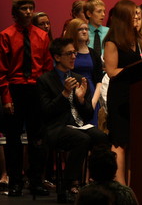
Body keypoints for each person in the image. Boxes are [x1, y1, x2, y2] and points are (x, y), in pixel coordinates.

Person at [0, 0, 53, 197]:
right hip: (16, 88)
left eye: (31, 8)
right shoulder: (6, 35)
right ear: (15, 12)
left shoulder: (42, 36)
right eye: (24, 8)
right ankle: (15, 182)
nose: (28, 12)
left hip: (36, 89)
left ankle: (36, 180)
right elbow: (1, 71)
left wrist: (45, 94)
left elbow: (47, 68)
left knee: (38, 138)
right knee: (13, 140)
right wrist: (6, 98)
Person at [37, 38, 109, 196]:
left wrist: (82, 100)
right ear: (57, 57)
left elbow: (89, 114)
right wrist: (64, 94)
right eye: (69, 53)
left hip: (78, 125)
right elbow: (46, 112)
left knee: (101, 137)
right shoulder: (45, 80)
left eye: (75, 53)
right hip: (56, 127)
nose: (74, 57)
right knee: (81, 139)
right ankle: (69, 183)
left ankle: (99, 181)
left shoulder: (78, 78)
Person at [104, 0, 142, 185]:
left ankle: (133, 185)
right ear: (124, 17)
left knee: (134, 141)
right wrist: (134, 69)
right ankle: (120, 185)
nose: (138, 18)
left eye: (139, 15)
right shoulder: (112, 42)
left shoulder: (139, 39)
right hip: (120, 96)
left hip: (136, 95)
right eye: (135, 15)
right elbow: (111, 71)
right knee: (120, 142)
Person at [64, 18, 105, 126]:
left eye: (86, 29)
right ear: (73, 31)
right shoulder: (67, 53)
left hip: (91, 94)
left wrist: (94, 102)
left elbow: (99, 80)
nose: (84, 31)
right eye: (80, 29)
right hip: (72, 92)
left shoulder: (93, 53)